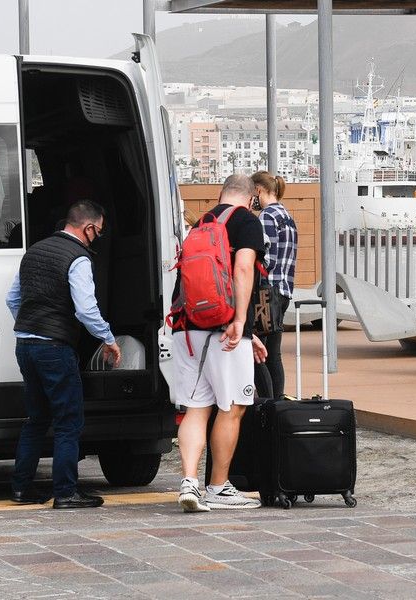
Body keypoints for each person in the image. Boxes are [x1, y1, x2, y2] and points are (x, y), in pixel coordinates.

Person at [6, 200, 122, 509]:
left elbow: (12, 298)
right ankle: (67, 492)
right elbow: (85, 309)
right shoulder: (78, 258)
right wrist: (108, 339)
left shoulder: (33, 252)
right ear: (88, 228)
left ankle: (21, 488)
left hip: (25, 344)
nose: (97, 238)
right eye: (98, 232)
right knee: (68, 421)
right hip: (55, 347)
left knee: (36, 418)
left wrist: (30, 324)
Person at [173, 174, 267, 512]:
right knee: (232, 407)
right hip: (225, 329)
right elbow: (243, 269)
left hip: (185, 327)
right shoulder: (246, 222)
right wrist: (241, 322)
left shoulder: (201, 223)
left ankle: (189, 481)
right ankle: (217, 487)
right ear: (253, 197)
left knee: (196, 408)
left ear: (220, 194)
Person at [252, 171, 298, 400]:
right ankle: (277, 404)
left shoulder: (267, 217)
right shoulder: (287, 216)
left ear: (259, 190)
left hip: (266, 293)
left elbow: (266, 258)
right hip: (284, 290)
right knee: (274, 355)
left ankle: (267, 404)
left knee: (257, 354)